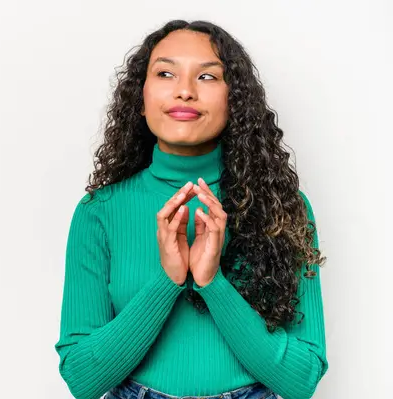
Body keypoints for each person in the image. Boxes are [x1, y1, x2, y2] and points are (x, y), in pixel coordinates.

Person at [54, 19, 328, 399]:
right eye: (166, 73)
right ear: (141, 98)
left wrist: (212, 283)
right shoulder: (99, 212)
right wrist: (168, 281)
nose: (184, 91)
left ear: (236, 100)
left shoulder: (284, 209)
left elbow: (302, 381)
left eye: (208, 78)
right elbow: (82, 379)